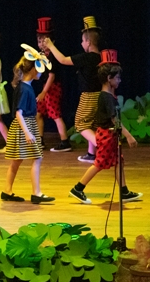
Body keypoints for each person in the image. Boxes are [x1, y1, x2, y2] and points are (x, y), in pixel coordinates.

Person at [69, 50, 143, 204]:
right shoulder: (106, 97)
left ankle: (124, 192)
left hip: (110, 135)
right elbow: (114, 120)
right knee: (99, 164)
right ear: (109, 78)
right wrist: (129, 136)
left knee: (118, 161)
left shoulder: (108, 96)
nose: (119, 80)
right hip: (106, 136)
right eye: (117, 78)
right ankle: (78, 188)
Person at [0, 46, 55, 204]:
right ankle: (36, 193)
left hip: (26, 125)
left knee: (18, 160)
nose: (41, 73)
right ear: (33, 70)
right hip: (24, 126)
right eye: (40, 69)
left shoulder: (25, 87)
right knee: (36, 158)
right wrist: (27, 132)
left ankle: (7, 191)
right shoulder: (25, 89)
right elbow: (19, 113)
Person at [44, 16, 102, 163]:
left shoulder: (86, 57)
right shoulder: (101, 57)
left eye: (83, 41)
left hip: (88, 96)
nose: (81, 43)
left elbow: (63, 60)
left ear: (88, 42)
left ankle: (102, 146)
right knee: (92, 124)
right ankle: (92, 154)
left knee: (81, 124)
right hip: (99, 95)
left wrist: (50, 46)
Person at [34, 18, 71, 152]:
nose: (41, 44)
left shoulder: (53, 56)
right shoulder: (42, 55)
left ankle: (65, 142)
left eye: (44, 41)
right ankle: (40, 141)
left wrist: (44, 92)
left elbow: (52, 76)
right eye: (39, 41)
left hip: (52, 88)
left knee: (55, 114)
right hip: (46, 87)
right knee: (38, 113)